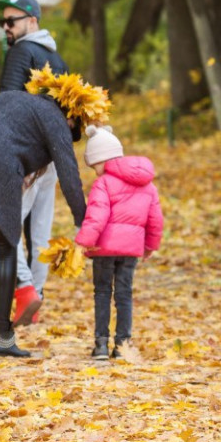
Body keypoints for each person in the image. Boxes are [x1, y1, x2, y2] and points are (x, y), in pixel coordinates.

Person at [0, 75, 101, 358]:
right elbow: (69, 175)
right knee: (5, 249)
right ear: (71, 114)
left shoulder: (11, 99)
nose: (71, 129)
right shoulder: (54, 118)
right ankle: (1, 338)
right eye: (75, 125)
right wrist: (84, 220)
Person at [0, 0, 68, 326]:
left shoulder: (21, 52)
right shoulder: (57, 58)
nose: (5, 28)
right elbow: (68, 113)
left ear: (32, 21)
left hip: (26, 155)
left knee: (2, 223)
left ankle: (25, 290)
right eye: (3, 22)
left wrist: (15, 157)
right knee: (40, 233)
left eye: (11, 21)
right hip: (51, 154)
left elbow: (7, 106)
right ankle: (35, 296)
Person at [74, 125, 164, 359]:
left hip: (103, 249)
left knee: (102, 292)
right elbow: (155, 219)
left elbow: (97, 215)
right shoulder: (148, 184)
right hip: (130, 250)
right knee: (124, 294)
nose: (95, 172)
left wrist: (84, 242)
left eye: (94, 166)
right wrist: (150, 246)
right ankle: (122, 345)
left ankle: (101, 344)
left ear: (101, 159)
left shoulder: (103, 183)